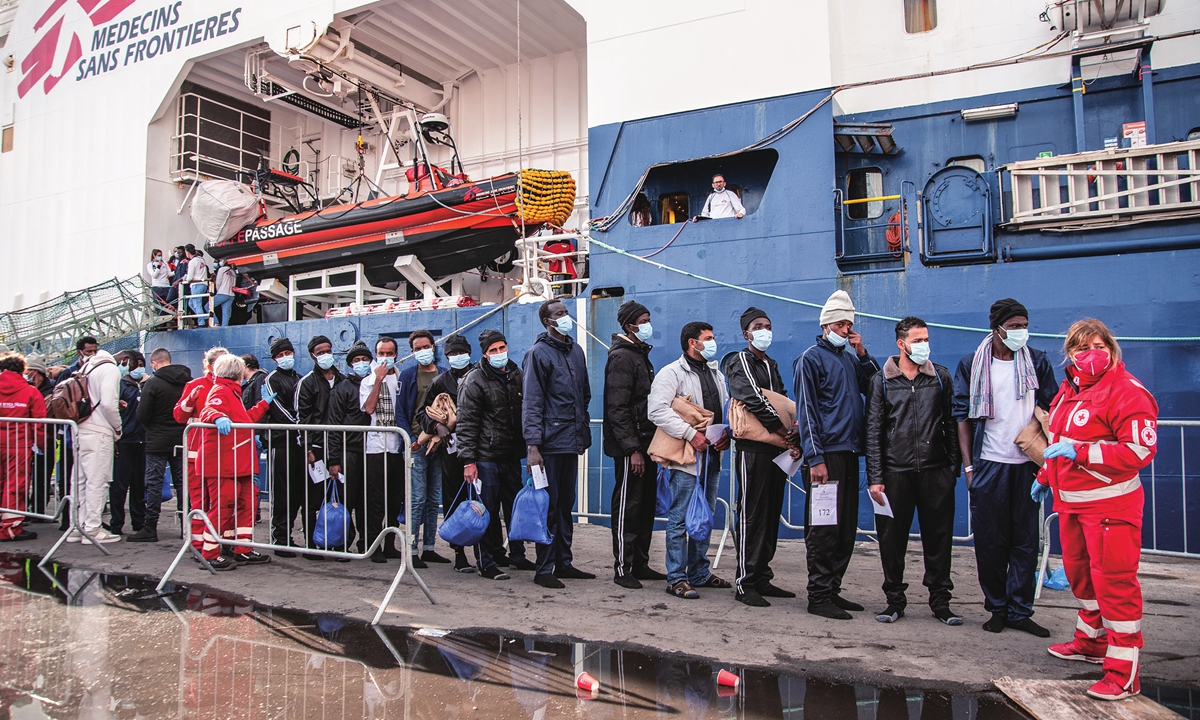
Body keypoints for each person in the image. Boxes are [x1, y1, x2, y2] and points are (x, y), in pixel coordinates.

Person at [1036, 319, 1158, 701]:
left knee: (1115, 586)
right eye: (1083, 348)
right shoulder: (1071, 390)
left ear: (1112, 349)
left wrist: (1083, 451)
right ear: (1070, 354)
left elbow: (1139, 451)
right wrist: (1045, 474)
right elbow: (1058, 440)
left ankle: (1124, 673)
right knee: (1082, 579)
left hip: (1110, 508)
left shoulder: (1127, 392)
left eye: (1099, 346)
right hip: (1073, 506)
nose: (1092, 355)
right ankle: (1091, 641)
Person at [952, 298, 1057, 636]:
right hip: (989, 465)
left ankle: (1019, 610)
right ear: (996, 328)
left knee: (1026, 542)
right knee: (990, 543)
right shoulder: (972, 364)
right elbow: (962, 418)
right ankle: (996, 608)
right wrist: (969, 468)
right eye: (1014, 327)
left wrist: (1047, 463)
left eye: (1024, 326)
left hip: (1027, 466)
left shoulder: (1037, 362)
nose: (1021, 332)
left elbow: (1051, 409)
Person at [865, 317, 962, 625]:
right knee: (891, 541)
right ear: (901, 344)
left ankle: (940, 602)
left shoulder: (940, 377)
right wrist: (876, 478)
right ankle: (894, 601)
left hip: (935, 472)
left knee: (939, 538)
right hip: (895, 473)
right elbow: (874, 431)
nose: (924, 346)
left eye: (926, 339)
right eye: (918, 340)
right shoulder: (881, 381)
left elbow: (951, 423)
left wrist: (952, 468)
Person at [794, 291, 880, 618]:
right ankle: (818, 596)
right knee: (823, 528)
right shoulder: (810, 359)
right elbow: (808, 410)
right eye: (841, 324)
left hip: (848, 453)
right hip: (825, 457)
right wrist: (814, 459)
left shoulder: (848, 358)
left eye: (849, 324)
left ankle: (832, 589)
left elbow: (873, 385)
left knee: (844, 528)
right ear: (826, 324)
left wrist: (862, 353)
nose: (846, 329)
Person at [647, 321, 733, 599]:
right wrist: (689, 434)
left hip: (712, 457)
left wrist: (726, 435)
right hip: (686, 459)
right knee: (680, 518)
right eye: (707, 338)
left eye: (713, 337)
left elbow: (724, 409)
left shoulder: (716, 373)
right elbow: (657, 410)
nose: (712, 342)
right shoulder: (671, 373)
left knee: (703, 516)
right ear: (692, 344)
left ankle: (699, 572)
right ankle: (677, 577)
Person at [725, 307, 799, 607]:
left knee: (770, 514)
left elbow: (781, 398)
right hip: (754, 449)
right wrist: (783, 428)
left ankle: (762, 575)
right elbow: (752, 397)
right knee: (752, 513)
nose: (765, 330)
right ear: (747, 333)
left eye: (768, 325)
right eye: (758, 326)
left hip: (776, 448)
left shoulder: (772, 364)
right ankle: (745, 581)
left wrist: (793, 432)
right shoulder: (739, 360)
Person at [523, 299, 595, 589]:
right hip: (548, 445)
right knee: (548, 507)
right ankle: (544, 568)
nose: (566, 317)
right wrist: (533, 445)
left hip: (571, 441)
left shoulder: (576, 351)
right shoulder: (537, 354)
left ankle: (564, 562)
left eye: (566, 312)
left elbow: (584, 394)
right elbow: (532, 401)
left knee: (566, 505)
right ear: (547, 321)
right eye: (559, 314)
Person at [457, 329, 534, 580]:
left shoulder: (516, 375)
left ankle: (516, 555)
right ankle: (486, 561)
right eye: (494, 350)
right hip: (485, 457)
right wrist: (469, 461)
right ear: (485, 354)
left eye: (502, 347)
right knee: (486, 511)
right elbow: (466, 424)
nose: (500, 353)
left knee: (514, 508)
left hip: (511, 455)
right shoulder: (474, 380)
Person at [603, 300, 665, 588]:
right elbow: (617, 407)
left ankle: (640, 562)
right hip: (632, 449)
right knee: (628, 505)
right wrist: (632, 449)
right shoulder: (622, 358)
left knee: (645, 506)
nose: (649, 324)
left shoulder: (640, 355)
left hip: (648, 444)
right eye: (644, 319)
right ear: (630, 326)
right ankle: (622, 568)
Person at [197, 353, 273, 570]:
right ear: (239, 373)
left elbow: (244, 420)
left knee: (245, 505)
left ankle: (241, 547)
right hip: (225, 464)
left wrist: (263, 405)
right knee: (222, 507)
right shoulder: (222, 391)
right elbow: (209, 410)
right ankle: (210, 553)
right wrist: (217, 417)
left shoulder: (231, 392)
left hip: (237, 463)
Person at [416, 334, 480, 573]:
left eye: (460, 352)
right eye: (451, 354)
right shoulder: (440, 382)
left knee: (484, 500)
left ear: (469, 352)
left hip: (481, 447)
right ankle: (459, 553)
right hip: (452, 453)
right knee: (455, 501)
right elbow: (422, 414)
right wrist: (437, 426)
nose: (456, 357)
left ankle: (490, 552)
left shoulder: (480, 375)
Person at [397, 330, 448, 566]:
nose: (422, 351)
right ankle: (412, 549)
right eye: (417, 348)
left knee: (432, 497)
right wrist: (411, 439)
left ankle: (429, 547)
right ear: (412, 351)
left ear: (434, 347)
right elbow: (401, 413)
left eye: (426, 346)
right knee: (417, 498)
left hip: (438, 445)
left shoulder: (444, 374)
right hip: (417, 445)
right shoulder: (408, 376)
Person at [131, 348, 192, 543]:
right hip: (182, 438)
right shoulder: (188, 382)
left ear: (154, 363)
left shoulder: (153, 383)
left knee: (154, 483)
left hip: (157, 440)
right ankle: (187, 527)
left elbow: (142, 415)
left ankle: (150, 527)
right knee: (183, 484)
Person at [174, 346, 229, 556]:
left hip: (222, 454)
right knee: (200, 502)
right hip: (197, 454)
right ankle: (198, 545)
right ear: (209, 365)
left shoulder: (230, 386)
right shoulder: (195, 385)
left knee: (222, 502)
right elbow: (179, 416)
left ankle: (217, 542)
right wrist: (189, 400)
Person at [296, 334, 345, 560]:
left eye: (328, 350)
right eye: (321, 352)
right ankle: (312, 543)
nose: (326, 355)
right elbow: (301, 418)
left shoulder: (342, 379)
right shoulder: (307, 382)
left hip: (338, 446)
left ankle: (336, 542)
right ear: (313, 355)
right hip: (315, 447)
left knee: (337, 498)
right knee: (313, 499)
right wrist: (307, 449)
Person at [360, 336, 407, 564]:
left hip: (397, 447)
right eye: (382, 353)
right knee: (376, 500)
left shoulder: (401, 379)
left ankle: (390, 544)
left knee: (394, 499)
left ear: (396, 355)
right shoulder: (367, 381)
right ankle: (373, 545)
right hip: (376, 448)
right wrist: (378, 380)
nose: (385, 357)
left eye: (389, 353)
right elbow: (369, 409)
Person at [327, 341, 373, 554]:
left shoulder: (376, 384)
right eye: (356, 360)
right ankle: (343, 544)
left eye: (365, 359)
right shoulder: (342, 389)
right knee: (347, 500)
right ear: (350, 364)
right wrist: (334, 460)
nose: (361, 363)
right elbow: (334, 425)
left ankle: (367, 543)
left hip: (372, 451)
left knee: (368, 501)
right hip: (349, 452)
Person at [263, 337, 307, 558]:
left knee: (296, 493)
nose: (285, 357)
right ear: (274, 359)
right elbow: (280, 410)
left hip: (299, 444)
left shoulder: (299, 379)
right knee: (281, 493)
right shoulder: (271, 380)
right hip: (281, 443)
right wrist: (301, 425)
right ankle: (279, 539)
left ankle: (287, 537)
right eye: (280, 355)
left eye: (288, 353)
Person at [74, 349, 122, 543]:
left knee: (79, 481)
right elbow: (109, 403)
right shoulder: (110, 369)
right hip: (99, 430)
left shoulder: (86, 368)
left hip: (80, 427)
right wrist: (118, 427)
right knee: (97, 480)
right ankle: (93, 528)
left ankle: (77, 525)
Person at [0, 352, 47, 542]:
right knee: (15, 485)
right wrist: (40, 445)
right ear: (23, 370)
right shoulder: (30, 391)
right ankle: (10, 526)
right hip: (18, 444)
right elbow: (39, 423)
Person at [106, 350, 147, 536]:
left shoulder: (145, 385)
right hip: (124, 440)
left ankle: (138, 522)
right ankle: (116, 523)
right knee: (119, 485)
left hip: (141, 440)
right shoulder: (120, 386)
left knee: (139, 484)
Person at [23, 353, 55, 518]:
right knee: (24, 476)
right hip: (28, 439)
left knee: (42, 475)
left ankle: (38, 508)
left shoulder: (53, 389)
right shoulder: (27, 389)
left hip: (46, 439)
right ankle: (24, 508)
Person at [184, 245, 211, 327]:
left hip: (196, 285)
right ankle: (204, 317)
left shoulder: (192, 262)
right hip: (203, 284)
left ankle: (201, 322)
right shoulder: (201, 260)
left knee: (196, 304)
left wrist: (185, 279)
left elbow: (189, 277)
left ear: (187, 252)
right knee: (191, 303)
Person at [210, 260, 237, 328]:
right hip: (231, 294)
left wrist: (218, 290)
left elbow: (218, 282)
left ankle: (215, 322)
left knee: (208, 306)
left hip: (222, 293)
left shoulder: (221, 269)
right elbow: (234, 284)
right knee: (226, 312)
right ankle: (224, 327)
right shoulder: (233, 271)